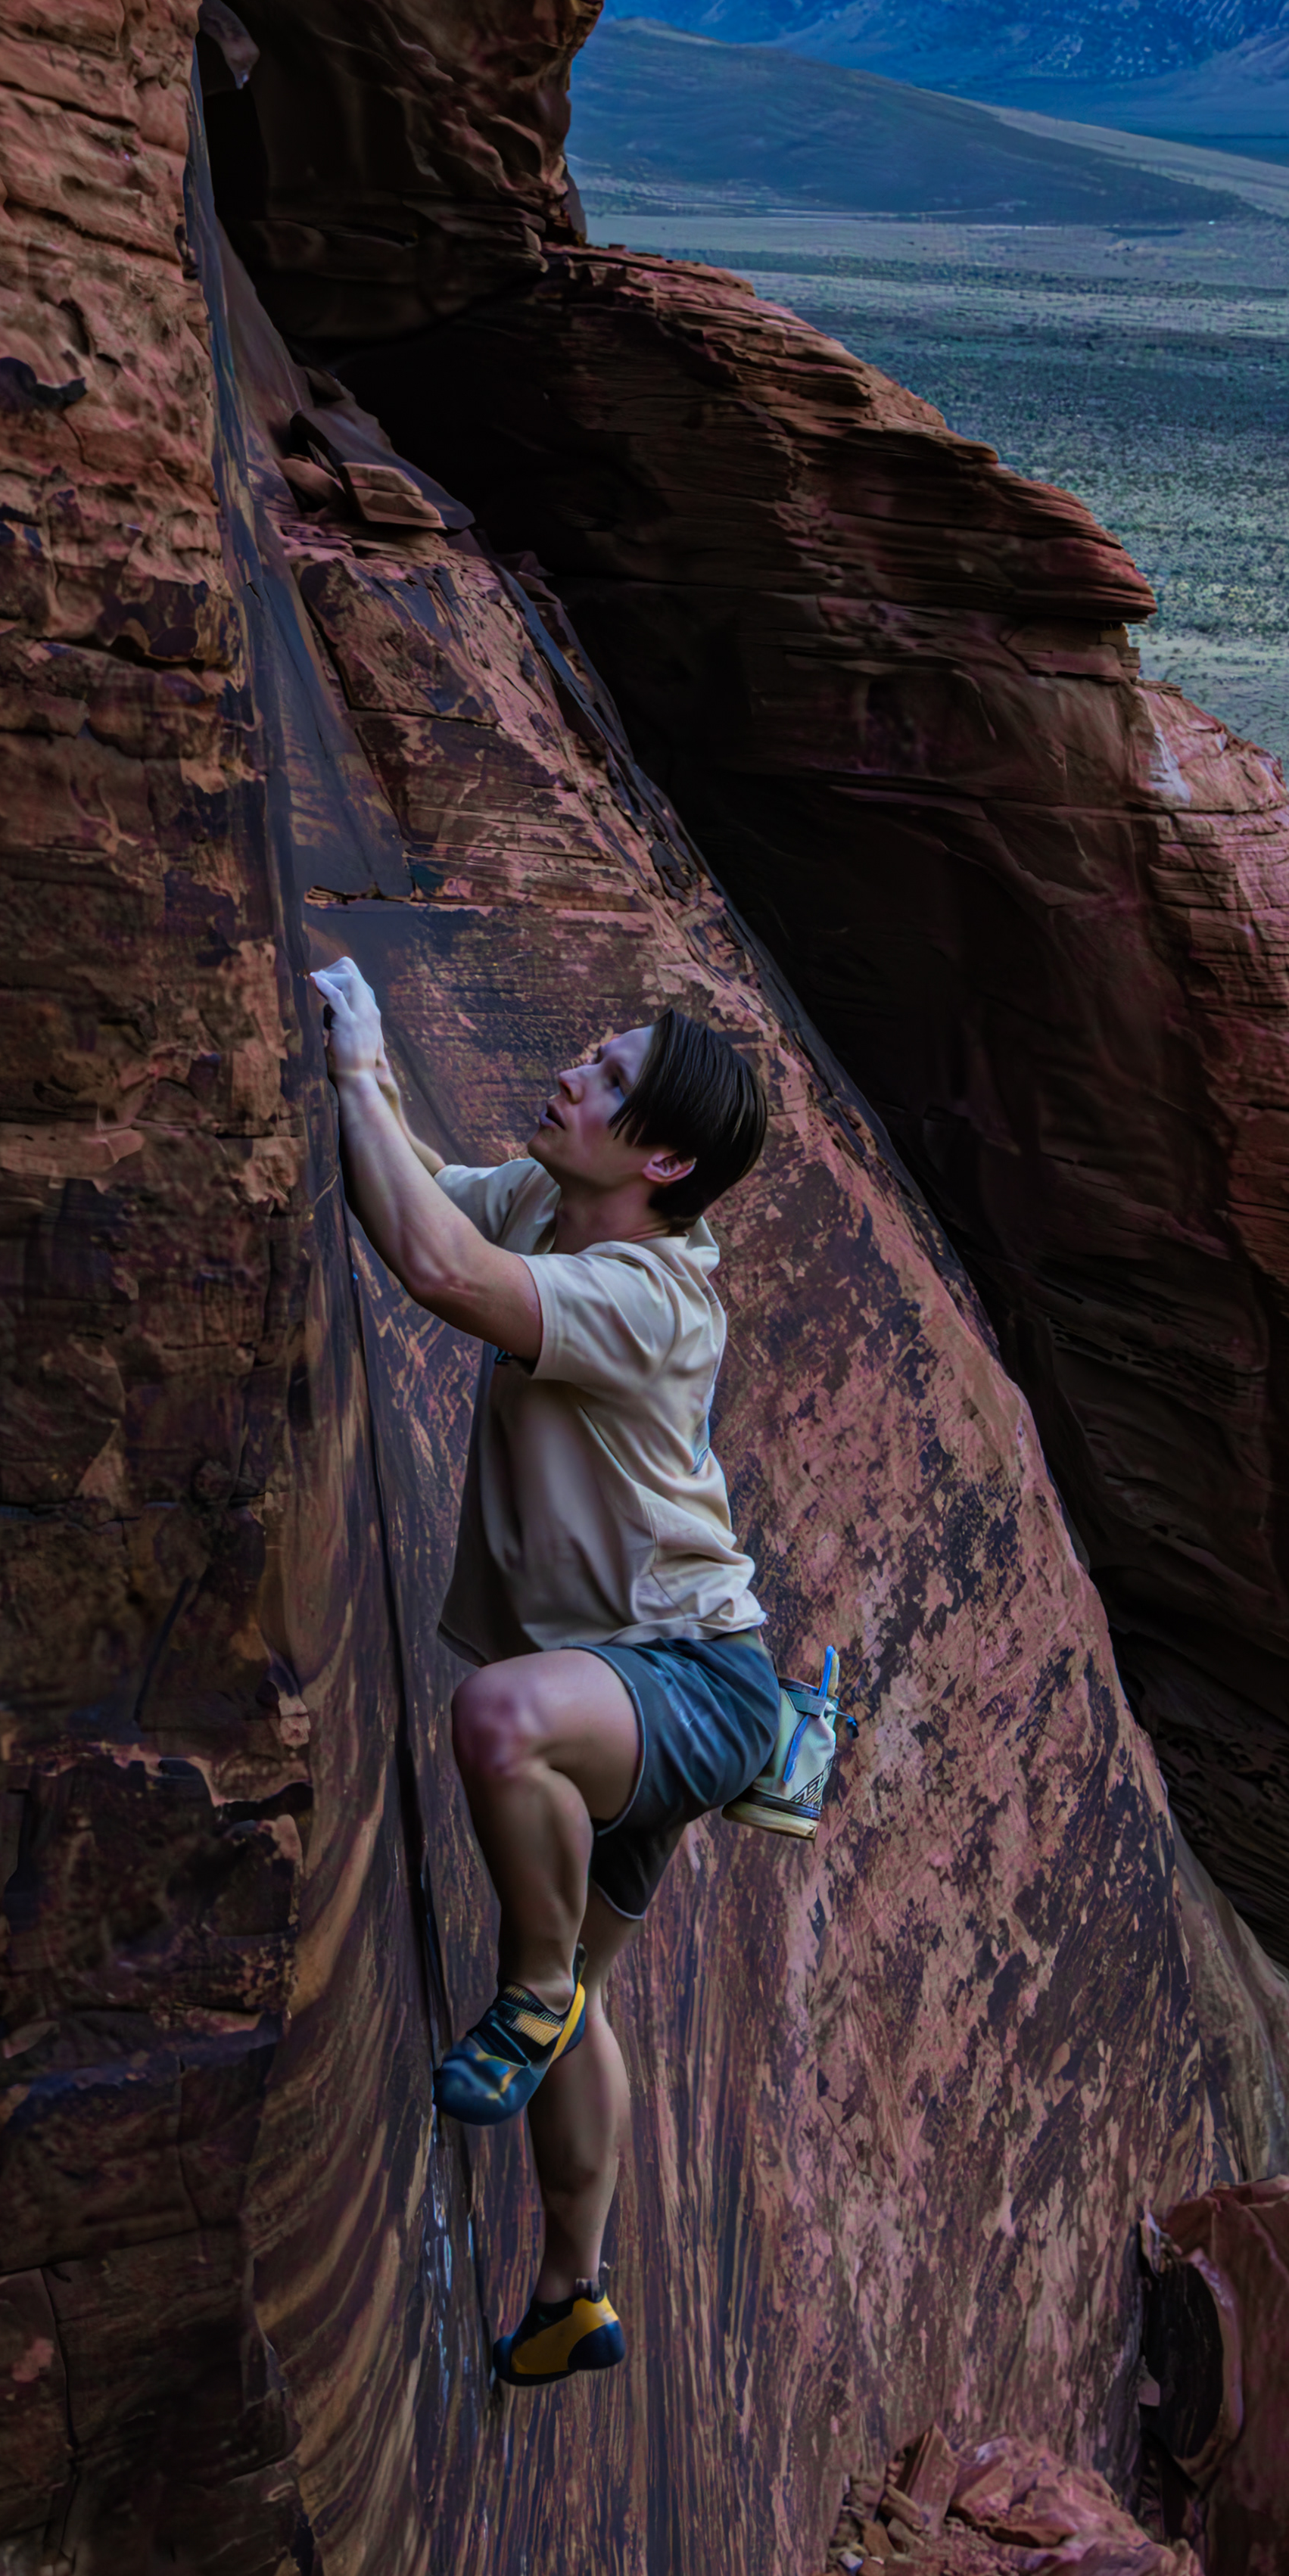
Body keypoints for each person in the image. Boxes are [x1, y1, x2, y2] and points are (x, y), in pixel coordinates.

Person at [308, 959, 804, 2394]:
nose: (566, 1078)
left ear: (661, 1160)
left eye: (600, 1079)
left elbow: (435, 1273)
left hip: (691, 1688)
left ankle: (525, 1992)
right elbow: (417, 1197)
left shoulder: (658, 1296)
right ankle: (572, 2293)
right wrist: (368, 1065)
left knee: (500, 1721)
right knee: (587, 2000)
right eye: (585, 1055)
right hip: (632, 1691)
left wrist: (353, 1069)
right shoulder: (548, 1200)